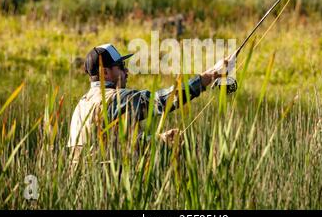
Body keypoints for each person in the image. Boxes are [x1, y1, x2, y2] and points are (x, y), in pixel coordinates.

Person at [68, 43, 233, 161]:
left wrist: (159, 139)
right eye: (120, 66)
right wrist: (211, 75)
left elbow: (112, 146)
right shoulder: (114, 99)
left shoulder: (81, 105)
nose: (126, 71)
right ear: (105, 72)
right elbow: (163, 101)